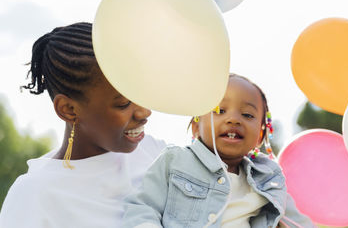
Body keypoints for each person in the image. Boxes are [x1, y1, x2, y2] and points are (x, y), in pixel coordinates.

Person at [0, 22, 166, 228]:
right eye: (124, 104)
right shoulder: (34, 196)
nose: (144, 112)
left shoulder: (156, 155)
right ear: (68, 109)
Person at [123, 73, 314, 228]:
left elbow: (298, 221)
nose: (233, 119)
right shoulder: (175, 161)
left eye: (247, 115)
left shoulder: (268, 178)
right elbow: (143, 208)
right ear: (197, 126)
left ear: (260, 136)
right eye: (220, 111)